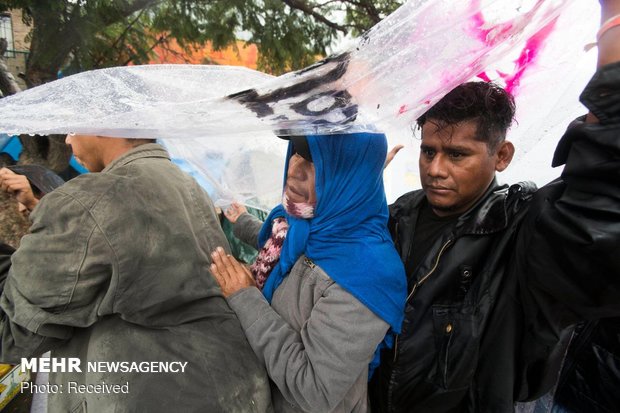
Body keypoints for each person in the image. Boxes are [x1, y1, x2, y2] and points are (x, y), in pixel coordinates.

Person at [369, 1, 620, 412]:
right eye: (428, 151)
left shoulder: (521, 229)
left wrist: (612, 47)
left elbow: (594, 219)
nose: (435, 169)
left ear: (501, 156)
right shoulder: (401, 213)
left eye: (456, 155)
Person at [0, 134, 272, 412]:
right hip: (230, 386)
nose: (68, 140)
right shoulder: (184, 182)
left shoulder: (91, 199)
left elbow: (14, 333)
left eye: (73, 128)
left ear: (101, 123)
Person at [210, 133, 407, 412]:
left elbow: (314, 389)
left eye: (316, 162)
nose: (294, 169)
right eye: (296, 152)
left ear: (348, 176)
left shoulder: (367, 273)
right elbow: (285, 247)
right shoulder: (310, 223)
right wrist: (243, 223)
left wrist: (245, 298)